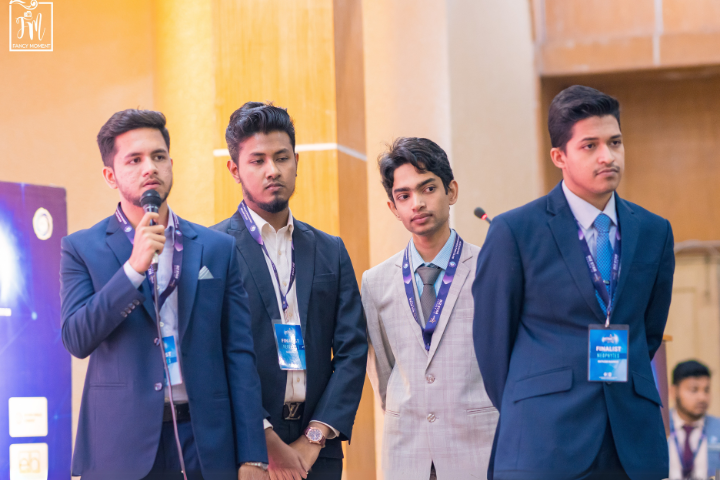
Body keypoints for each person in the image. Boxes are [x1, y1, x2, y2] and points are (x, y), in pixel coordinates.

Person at [473, 85, 675, 480]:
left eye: (615, 142)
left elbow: (648, 331)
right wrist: (531, 402)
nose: (608, 156)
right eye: (590, 146)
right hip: (543, 440)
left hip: (631, 440)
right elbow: (492, 343)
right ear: (559, 157)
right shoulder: (515, 231)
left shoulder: (654, 231)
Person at [60, 109, 268, 480]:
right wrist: (132, 270)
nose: (150, 168)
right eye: (134, 160)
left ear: (171, 164)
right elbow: (77, 338)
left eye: (158, 156)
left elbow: (239, 353)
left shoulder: (216, 248)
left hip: (205, 439)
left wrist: (253, 455)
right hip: (120, 444)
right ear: (110, 176)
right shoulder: (81, 248)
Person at [211, 102, 367, 480]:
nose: (273, 170)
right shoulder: (213, 250)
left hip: (318, 453)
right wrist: (267, 440)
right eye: (258, 160)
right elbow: (212, 357)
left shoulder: (330, 249)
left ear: (297, 161)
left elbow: (353, 349)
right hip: (247, 452)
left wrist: (314, 439)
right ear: (235, 170)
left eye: (282, 158)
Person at [362, 137, 497, 480]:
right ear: (393, 208)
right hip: (408, 454)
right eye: (404, 196)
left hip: (478, 450)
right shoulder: (375, 282)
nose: (417, 203)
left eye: (428, 188)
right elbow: (384, 371)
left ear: (451, 191)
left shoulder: (491, 267)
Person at [668, 360, 720, 479]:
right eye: (694, 390)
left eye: (706, 390)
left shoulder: (718, 429)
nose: (702, 397)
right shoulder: (658, 427)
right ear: (674, 391)